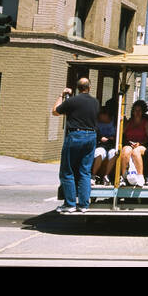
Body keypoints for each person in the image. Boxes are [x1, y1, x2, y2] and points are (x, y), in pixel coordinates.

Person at [53, 78, 99, 213]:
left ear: (78, 88)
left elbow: (55, 111)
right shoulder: (95, 102)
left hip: (75, 135)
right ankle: (84, 205)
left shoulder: (72, 101)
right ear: (89, 87)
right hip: (91, 136)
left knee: (68, 171)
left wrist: (62, 95)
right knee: (85, 171)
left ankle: (70, 204)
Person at [119, 100, 148, 186]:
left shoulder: (146, 123)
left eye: (139, 110)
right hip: (129, 144)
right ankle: (123, 176)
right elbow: (121, 133)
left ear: (143, 111)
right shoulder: (129, 122)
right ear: (133, 111)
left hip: (142, 145)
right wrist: (121, 122)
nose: (137, 112)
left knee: (135, 152)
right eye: (135, 110)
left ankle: (140, 176)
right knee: (126, 151)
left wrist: (139, 143)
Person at [90, 109, 118, 185]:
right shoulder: (97, 124)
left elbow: (119, 134)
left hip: (112, 145)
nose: (100, 118)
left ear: (107, 116)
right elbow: (95, 134)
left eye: (102, 116)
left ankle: (106, 176)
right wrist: (100, 138)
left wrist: (113, 138)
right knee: (99, 153)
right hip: (102, 144)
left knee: (113, 153)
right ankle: (93, 175)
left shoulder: (115, 123)